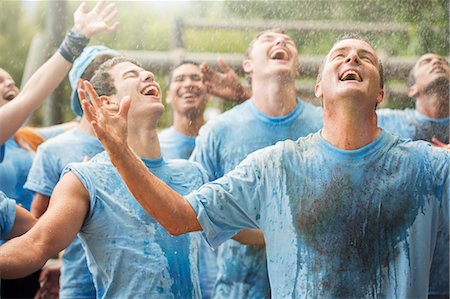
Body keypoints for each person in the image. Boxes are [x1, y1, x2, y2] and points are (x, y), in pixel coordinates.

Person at [76, 35, 448, 298]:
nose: (352, 58)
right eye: (340, 55)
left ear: (381, 93)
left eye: (364, 57)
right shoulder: (275, 167)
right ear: (319, 88)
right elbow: (178, 217)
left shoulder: (427, 167)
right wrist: (119, 150)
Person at [0, 56, 213, 298]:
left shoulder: (192, 173)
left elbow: (238, 228)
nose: (148, 75)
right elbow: (36, 245)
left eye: (146, 72)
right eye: (131, 75)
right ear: (107, 103)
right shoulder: (86, 179)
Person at [191, 29, 323, 298]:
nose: (281, 41)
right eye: (267, 39)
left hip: (315, 287)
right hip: (239, 289)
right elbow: (192, 211)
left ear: (297, 66)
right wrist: (272, 232)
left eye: (289, 40)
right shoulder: (218, 131)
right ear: (248, 65)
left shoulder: (325, 125)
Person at [24, 46, 118, 299]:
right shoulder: (53, 150)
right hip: (79, 281)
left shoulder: (134, 147)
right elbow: (38, 223)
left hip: (131, 282)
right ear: (84, 87)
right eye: (101, 77)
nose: (108, 85)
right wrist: (54, 261)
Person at [0, 0, 119, 160]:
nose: (9, 83)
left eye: (10, 80)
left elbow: (79, 127)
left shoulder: (27, 137)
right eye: (0, 81)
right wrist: (77, 38)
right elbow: (28, 97)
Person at [377, 53, 449, 298]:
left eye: (443, 62)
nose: (438, 62)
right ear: (411, 89)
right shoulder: (388, 124)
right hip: (403, 282)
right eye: (426, 62)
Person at [159, 61, 209, 159]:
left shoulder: (219, 140)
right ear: (168, 96)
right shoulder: (156, 146)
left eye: (196, 78)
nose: (188, 84)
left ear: (209, 93)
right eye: (179, 79)